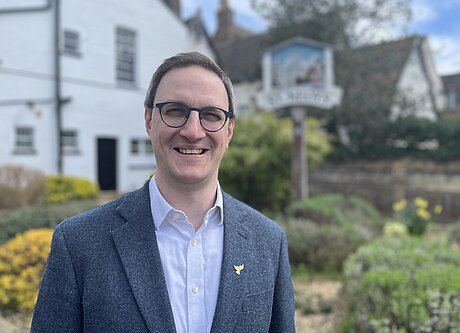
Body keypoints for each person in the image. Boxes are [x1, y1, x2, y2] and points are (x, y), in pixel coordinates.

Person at [31, 52, 296, 333]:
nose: (193, 131)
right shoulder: (78, 244)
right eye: (175, 111)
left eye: (211, 115)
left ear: (229, 130)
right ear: (149, 120)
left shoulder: (268, 241)